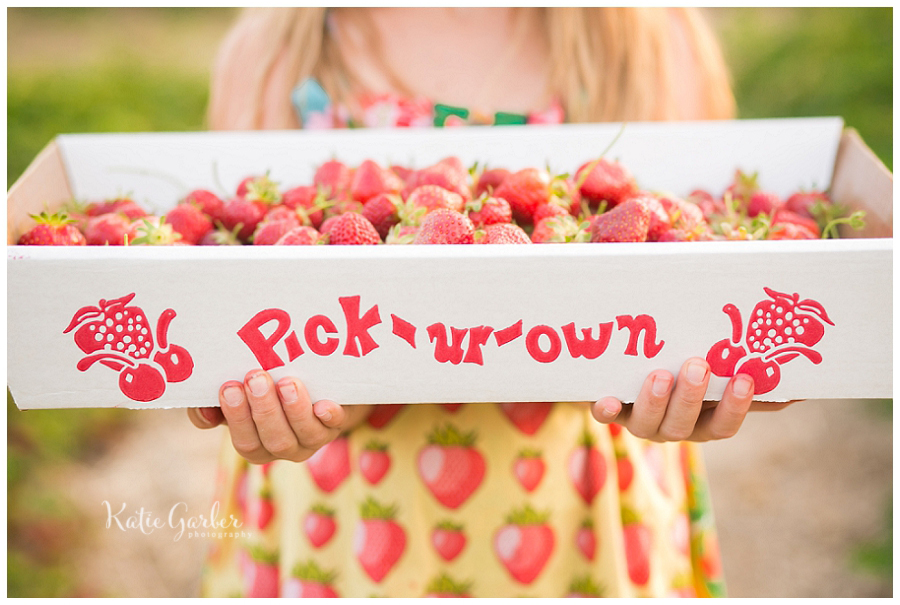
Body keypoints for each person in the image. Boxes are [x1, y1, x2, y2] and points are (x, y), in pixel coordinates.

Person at [189, 7, 762, 598]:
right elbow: (246, 277)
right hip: (340, 502)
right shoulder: (279, 48)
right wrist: (310, 386)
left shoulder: (647, 39)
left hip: (578, 490)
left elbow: (693, 253)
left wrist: (704, 370)